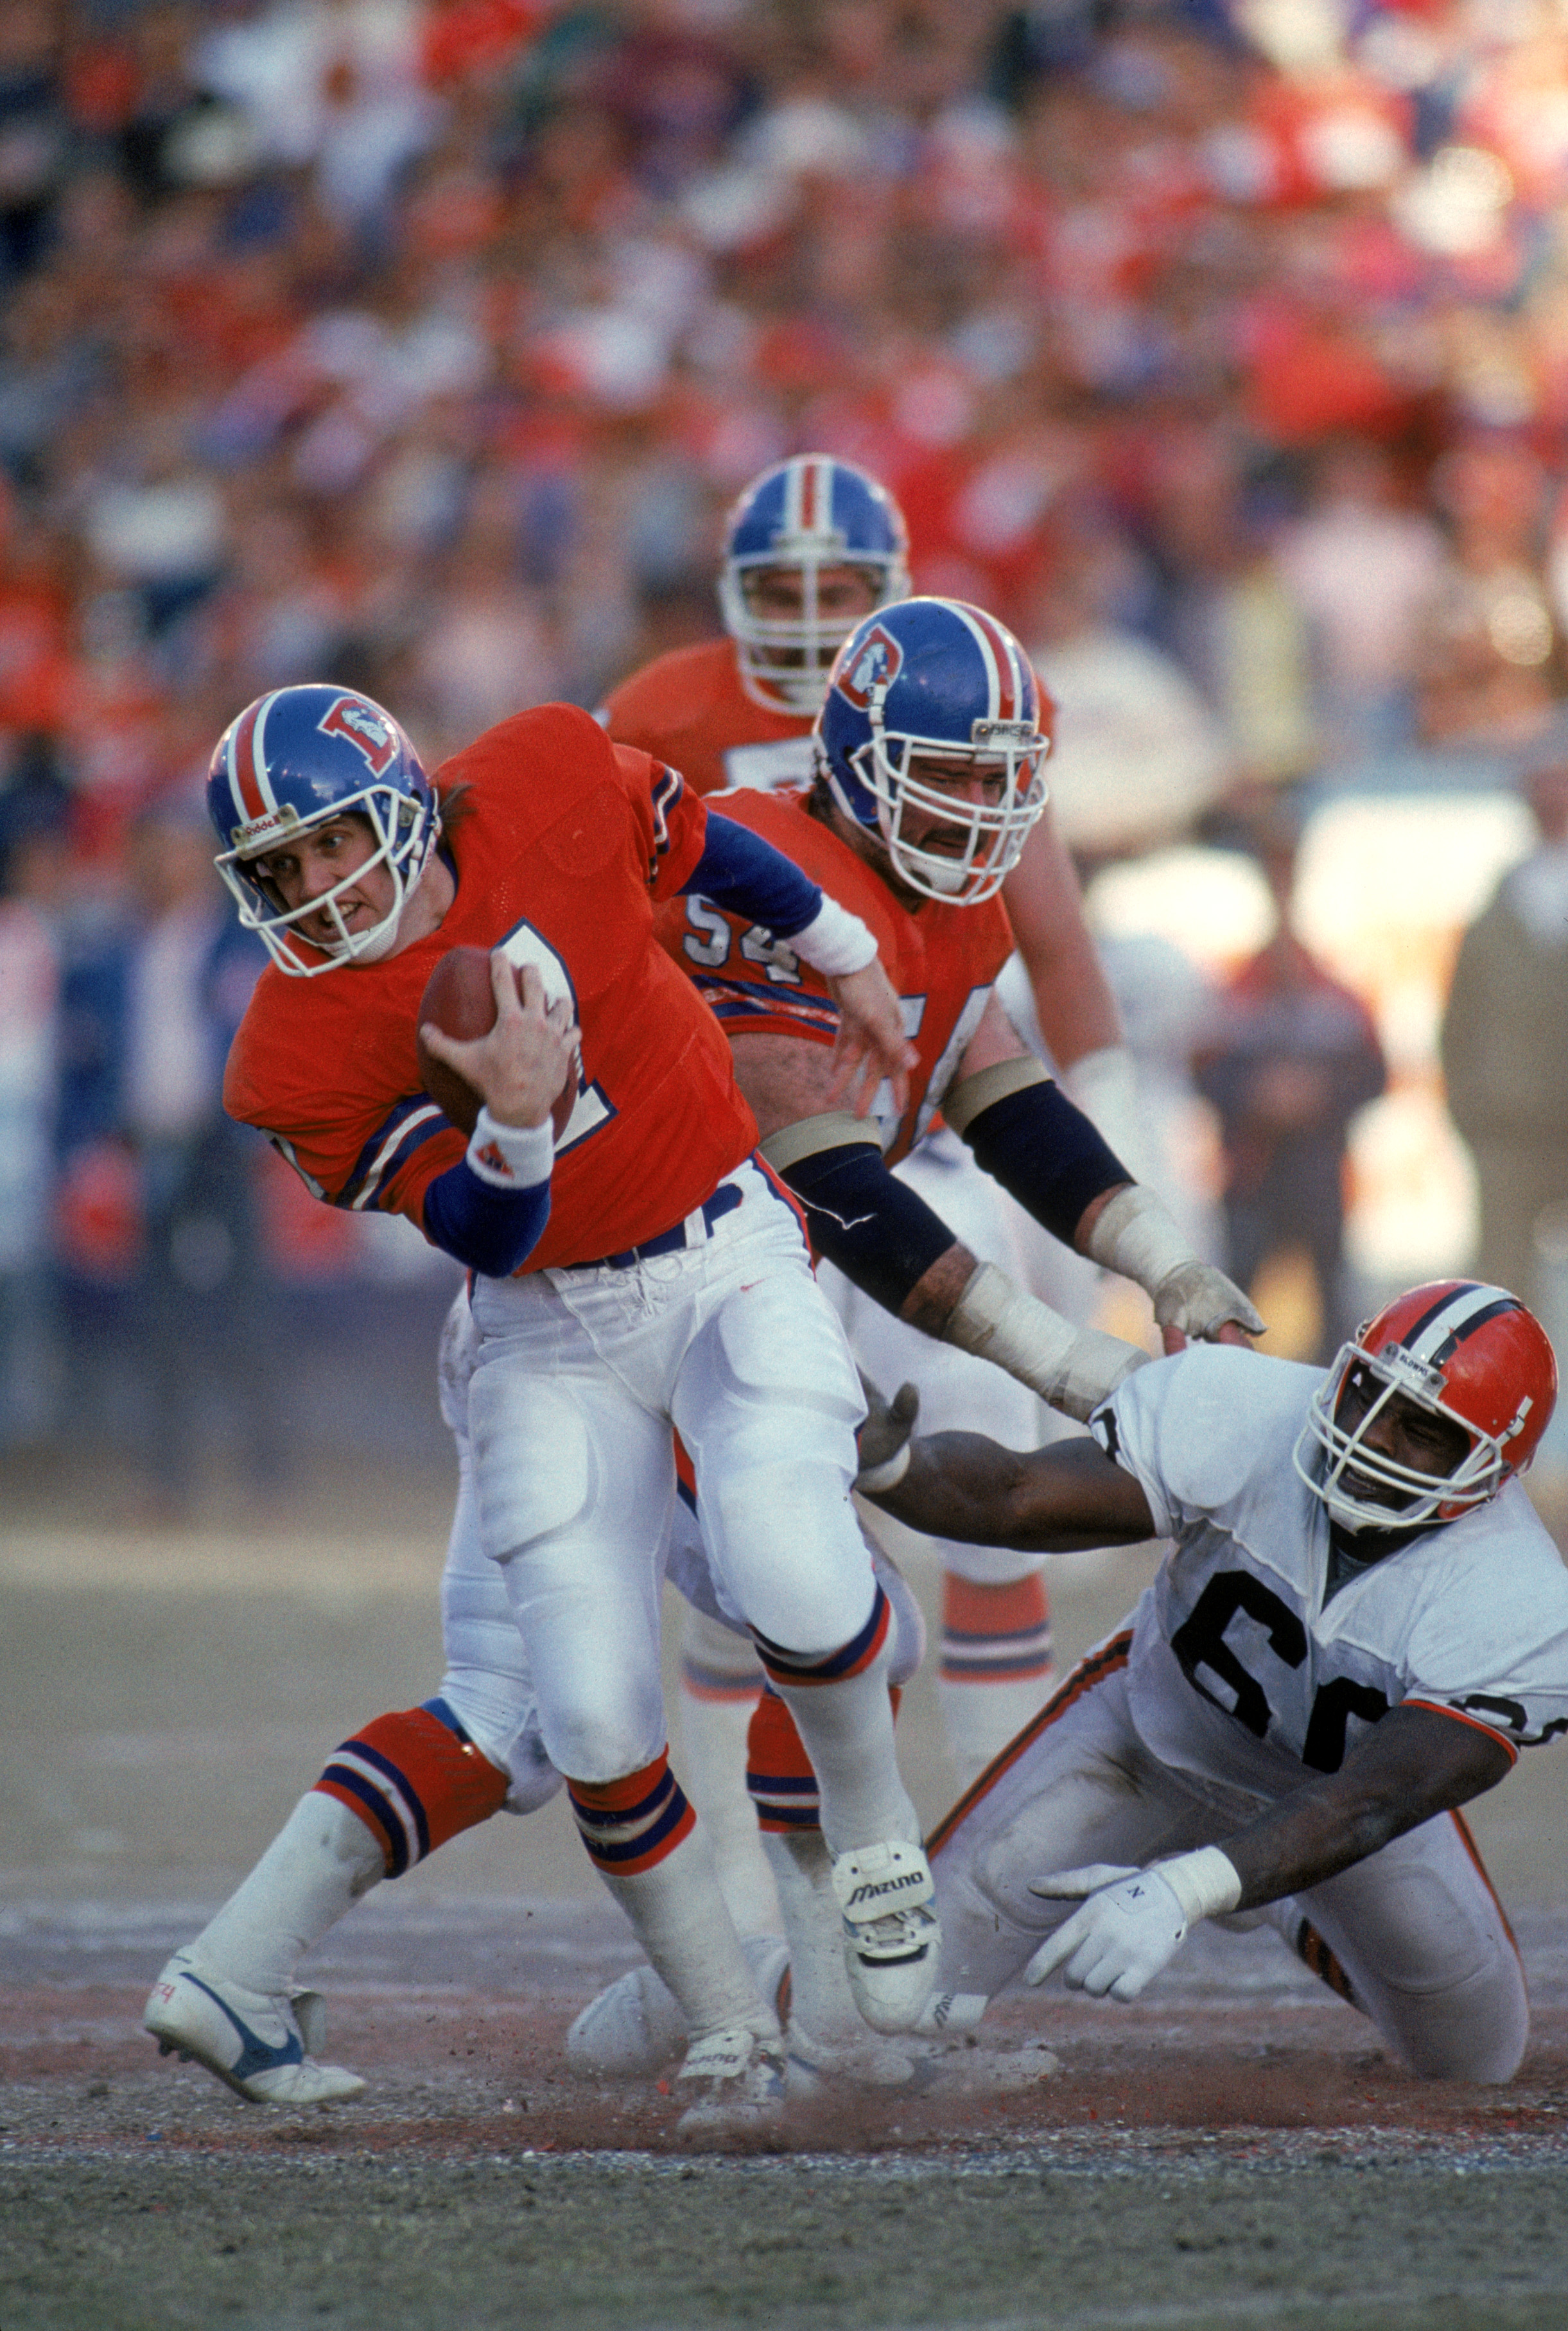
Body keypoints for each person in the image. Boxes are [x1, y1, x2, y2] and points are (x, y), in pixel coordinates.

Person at [145, 677, 936, 2134]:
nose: (317, 887)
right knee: (566, 1705)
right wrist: (511, 1116)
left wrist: (844, 955)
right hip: (536, 1318)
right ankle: (742, 2027)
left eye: (331, 843)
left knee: (771, 1584)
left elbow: (700, 844)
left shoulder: (547, 776)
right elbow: (487, 1235)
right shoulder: (297, 1046)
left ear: (404, 797)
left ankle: (852, 1921)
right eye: (282, 870)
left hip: (714, 1255)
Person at [584, 1279, 1567, 2089]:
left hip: (1331, 1805)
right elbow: (1016, 1496)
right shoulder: (1244, 1409)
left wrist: (1192, 1883)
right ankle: (710, 1983)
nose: (1375, 1437)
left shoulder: (1517, 1602)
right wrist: (892, 1465)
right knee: (875, 2020)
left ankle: (1265, 1890)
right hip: (1141, 1738)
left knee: (1476, 2060)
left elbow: (1375, 1798)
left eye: (1422, 1433)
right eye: (1370, 1397)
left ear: (1492, 1469)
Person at [605, 455, 1149, 1792]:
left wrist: (1135, 1174)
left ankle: (984, 1838)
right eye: (781, 588)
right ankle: (757, 1886)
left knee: (983, 1470)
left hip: (935, 1128)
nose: (807, 613)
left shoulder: (959, 692)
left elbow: (1051, 939)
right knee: (757, 1530)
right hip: (729, 1173)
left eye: (839, 587)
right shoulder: (661, 714)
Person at [145, 1288, 929, 2106]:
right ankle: (808, 2025)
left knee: (502, 1716)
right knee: (859, 1630)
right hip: (636, 1325)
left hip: (531, 1319)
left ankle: (232, 1970)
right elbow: (812, 1187)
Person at [1193, 805, 1386, 1363]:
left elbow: (1375, 1074)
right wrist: (1258, 1099)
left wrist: (1315, 1099)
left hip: (1320, 1173)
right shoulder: (1234, 990)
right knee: (1230, 1310)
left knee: (1337, 1312)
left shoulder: (1337, 991)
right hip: (1251, 1173)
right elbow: (1203, 1072)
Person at [1441, 739, 1568, 1328]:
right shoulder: (1505, 897)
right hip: (1511, 1125)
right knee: (1502, 1289)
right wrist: (1475, 1111)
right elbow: (1461, 1020)